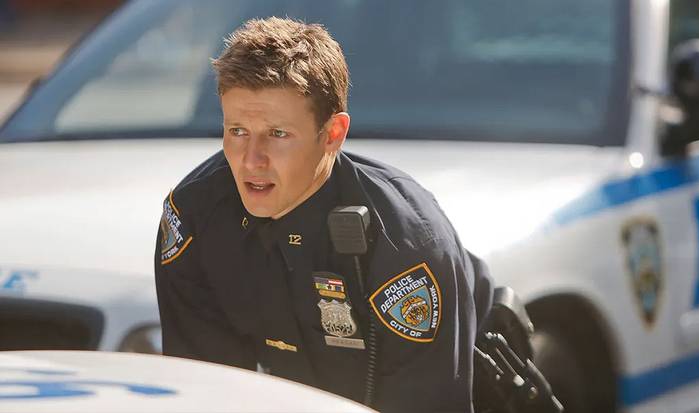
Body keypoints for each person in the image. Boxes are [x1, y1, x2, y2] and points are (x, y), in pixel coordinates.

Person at [154, 16, 493, 412]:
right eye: (237, 131)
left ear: (332, 134)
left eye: (278, 134)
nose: (251, 160)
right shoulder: (195, 216)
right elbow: (205, 393)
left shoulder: (404, 240)